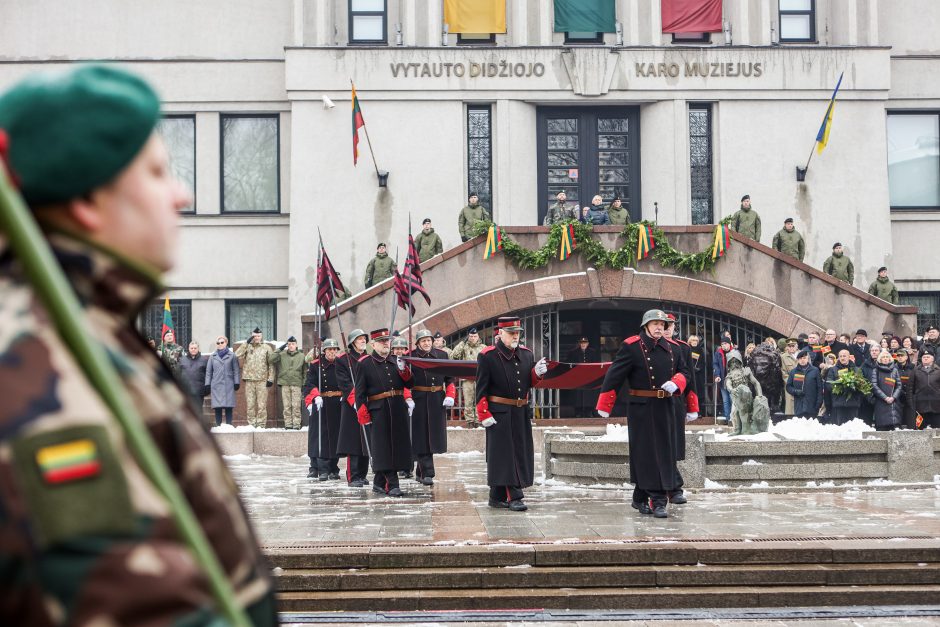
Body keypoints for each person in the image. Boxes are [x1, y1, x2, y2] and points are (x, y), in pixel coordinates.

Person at [0, 65, 276, 624]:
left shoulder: (91, 324)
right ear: (87, 202)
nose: (182, 194)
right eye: (156, 172)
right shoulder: (45, 358)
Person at [596, 310, 689, 518]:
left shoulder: (673, 348)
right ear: (645, 326)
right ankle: (657, 500)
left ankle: (642, 497)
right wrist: (605, 403)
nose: (659, 327)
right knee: (646, 454)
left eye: (662, 324)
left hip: (665, 405)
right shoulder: (632, 347)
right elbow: (615, 374)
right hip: (641, 408)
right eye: (655, 323)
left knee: (663, 453)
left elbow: (685, 372)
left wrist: (677, 382)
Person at [475, 317, 546, 511]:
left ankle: (496, 497)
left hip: (520, 411)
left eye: (517, 332)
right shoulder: (487, 356)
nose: (515, 336)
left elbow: (525, 382)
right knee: (505, 456)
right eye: (511, 332)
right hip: (499, 413)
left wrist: (536, 374)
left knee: (518, 453)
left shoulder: (526, 354)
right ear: (500, 334)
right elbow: (481, 388)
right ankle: (515, 496)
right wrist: (484, 414)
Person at [355, 328, 414, 496]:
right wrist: (362, 411)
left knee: (397, 445)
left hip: (397, 407)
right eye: (381, 341)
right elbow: (360, 391)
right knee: (383, 448)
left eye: (387, 341)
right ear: (373, 344)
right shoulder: (364, 363)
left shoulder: (397, 361)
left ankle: (379, 483)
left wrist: (404, 371)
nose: (385, 344)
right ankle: (392, 484)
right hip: (378, 409)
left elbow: (410, 384)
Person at [407, 329, 454, 485]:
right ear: (418, 343)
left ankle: (421, 472)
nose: (426, 343)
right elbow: (405, 380)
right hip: (419, 399)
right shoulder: (411, 356)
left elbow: (450, 379)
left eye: (428, 340)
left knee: (433, 436)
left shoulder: (442, 355)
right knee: (421, 436)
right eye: (423, 341)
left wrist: (450, 395)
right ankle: (428, 473)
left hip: (436, 399)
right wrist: (408, 397)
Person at [663, 316, 699, 505]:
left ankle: (673, 488)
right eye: (664, 325)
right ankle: (672, 487)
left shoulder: (683, 347)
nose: (667, 329)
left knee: (673, 445)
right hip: (655, 401)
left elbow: (690, 378)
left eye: (670, 326)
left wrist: (692, 406)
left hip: (675, 401)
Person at [303, 338, 343, 480]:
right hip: (321, 402)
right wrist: (315, 395)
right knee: (319, 436)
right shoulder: (315, 365)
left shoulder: (341, 364)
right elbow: (309, 383)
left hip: (337, 404)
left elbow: (346, 381)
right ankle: (319, 467)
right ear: (324, 351)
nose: (332, 352)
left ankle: (333, 467)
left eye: (334, 349)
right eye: (329, 349)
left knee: (335, 436)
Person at [335, 328, 370, 486]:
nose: (363, 341)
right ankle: (353, 476)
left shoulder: (369, 359)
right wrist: (355, 400)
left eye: (364, 338)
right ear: (352, 342)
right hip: (352, 406)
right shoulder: (343, 360)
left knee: (366, 440)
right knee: (354, 441)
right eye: (360, 338)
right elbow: (344, 382)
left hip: (367, 403)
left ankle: (362, 474)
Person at [235, 327, 274, 428]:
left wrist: (271, 378)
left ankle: (261, 425)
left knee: (261, 405)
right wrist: (246, 343)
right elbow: (237, 355)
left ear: (261, 336)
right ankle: (251, 424)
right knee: (250, 405)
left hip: (262, 380)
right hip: (250, 380)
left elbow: (271, 364)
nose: (256, 338)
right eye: (254, 336)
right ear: (252, 336)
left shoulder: (267, 348)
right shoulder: (248, 347)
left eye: (258, 336)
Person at [268, 335, 307, 429]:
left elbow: (304, 371)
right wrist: (279, 349)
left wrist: (304, 383)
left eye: (293, 344)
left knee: (296, 405)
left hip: (296, 383)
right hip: (285, 383)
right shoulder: (282, 354)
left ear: (296, 345)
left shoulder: (301, 356)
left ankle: (296, 424)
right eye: (289, 344)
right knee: (287, 406)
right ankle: (288, 424)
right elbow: (271, 359)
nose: (291, 346)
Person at [450, 327, 485, 426]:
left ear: (478, 336)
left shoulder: (483, 347)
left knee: (479, 399)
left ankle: (479, 421)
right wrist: (462, 343)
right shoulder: (464, 347)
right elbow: (453, 356)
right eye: (471, 336)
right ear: (468, 337)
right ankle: (470, 421)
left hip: (480, 377)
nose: (473, 338)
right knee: (468, 401)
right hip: (467, 378)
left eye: (475, 336)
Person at [206, 335, 241, 426]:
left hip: (228, 384)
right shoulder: (212, 356)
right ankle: (218, 425)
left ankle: (229, 425)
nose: (220, 344)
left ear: (226, 343)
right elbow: (209, 371)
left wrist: (236, 382)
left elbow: (236, 370)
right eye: (218, 343)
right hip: (216, 384)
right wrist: (207, 384)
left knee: (228, 406)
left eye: (222, 342)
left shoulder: (232, 355)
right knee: (218, 407)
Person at [824, 349, 865, 425]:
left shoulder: (856, 369)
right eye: (840, 356)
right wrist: (840, 388)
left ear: (849, 357)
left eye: (844, 356)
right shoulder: (833, 370)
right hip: (838, 403)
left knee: (852, 427)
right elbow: (828, 384)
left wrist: (852, 387)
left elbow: (861, 384)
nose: (842, 358)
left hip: (853, 403)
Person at [565, 336, 599, 417]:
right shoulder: (573, 352)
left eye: (585, 343)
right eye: (582, 343)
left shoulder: (592, 352)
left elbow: (596, 364)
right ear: (579, 344)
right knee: (577, 394)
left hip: (589, 377)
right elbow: (569, 364)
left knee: (589, 394)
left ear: (587, 344)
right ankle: (578, 411)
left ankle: (588, 411)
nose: (583, 344)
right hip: (578, 377)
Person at [870, 348, 902, 431]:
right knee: (882, 428)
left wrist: (893, 397)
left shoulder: (895, 370)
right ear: (880, 359)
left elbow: (899, 386)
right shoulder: (876, 370)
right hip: (881, 402)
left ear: (890, 359)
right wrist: (885, 397)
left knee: (895, 427)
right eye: (883, 357)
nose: (885, 358)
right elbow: (874, 385)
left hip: (893, 402)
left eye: (886, 357)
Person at [787, 348, 823, 418]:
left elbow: (819, 387)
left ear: (807, 359)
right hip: (799, 404)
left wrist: (819, 402)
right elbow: (788, 387)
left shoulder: (815, 370)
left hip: (812, 405)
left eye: (804, 358)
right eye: (800, 358)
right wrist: (796, 391)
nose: (802, 360)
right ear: (797, 360)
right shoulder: (793, 372)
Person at [909, 349, 940, 429]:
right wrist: (911, 403)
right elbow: (910, 388)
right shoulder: (915, 370)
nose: (925, 358)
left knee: (937, 430)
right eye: (924, 357)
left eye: (928, 357)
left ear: (933, 358)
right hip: (920, 406)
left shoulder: (938, 370)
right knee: (920, 430)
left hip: (936, 406)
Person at [179, 340, 209, 409]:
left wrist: (207, 389)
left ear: (198, 349)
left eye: (195, 348)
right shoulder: (182, 360)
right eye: (191, 348)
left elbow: (208, 375)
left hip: (199, 392)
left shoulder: (204, 360)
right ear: (189, 349)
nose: (193, 350)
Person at [713, 336, 734, 421]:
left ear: (729, 344)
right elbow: (715, 364)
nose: (723, 345)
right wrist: (717, 375)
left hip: (732, 380)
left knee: (732, 399)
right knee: (725, 400)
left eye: (725, 343)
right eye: (722, 344)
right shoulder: (718, 353)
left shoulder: (734, 352)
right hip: (722, 379)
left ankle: (733, 418)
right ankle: (727, 417)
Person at [687, 335, 709, 414]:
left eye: (696, 341)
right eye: (693, 340)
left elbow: (703, 362)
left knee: (699, 393)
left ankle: (699, 412)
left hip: (698, 375)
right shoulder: (687, 349)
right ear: (690, 341)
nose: (694, 342)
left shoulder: (700, 350)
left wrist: (699, 368)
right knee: (690, 392)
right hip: (690, 375)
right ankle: (690, 411)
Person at [895, 349, 916, 428]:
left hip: (910, 396)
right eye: (898, 356)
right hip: (898, 397)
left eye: (902, 356)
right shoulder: (893, 368)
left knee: (910, 422)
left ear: (906, 357)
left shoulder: (913, 368)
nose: (900, 357)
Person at [780, 338, 799, 414]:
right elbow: (783, 372)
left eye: (793, 346)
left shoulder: (804, 354)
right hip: (790, 385)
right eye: (789, 346)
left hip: (803, 384)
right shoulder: (783, 357)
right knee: (790, 408)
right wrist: (791, 383)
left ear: (797, 346)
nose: (791, 347)